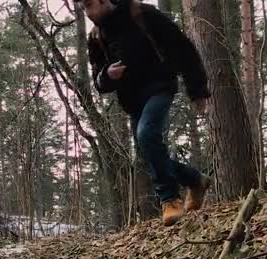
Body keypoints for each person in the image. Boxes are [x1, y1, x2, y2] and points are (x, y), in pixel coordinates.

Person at [75, 0, 212, 226]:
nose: (88, 13)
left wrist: (197, 89)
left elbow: (182, 47)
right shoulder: (96, 37)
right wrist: (108, 76)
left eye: (90, 5)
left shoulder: (141, 13)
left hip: (160, 87)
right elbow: (98, 81)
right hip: (132, 101)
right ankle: (194, 179)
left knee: (147, 134)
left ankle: (170, 200)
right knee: (149, 152)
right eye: (83, 9)